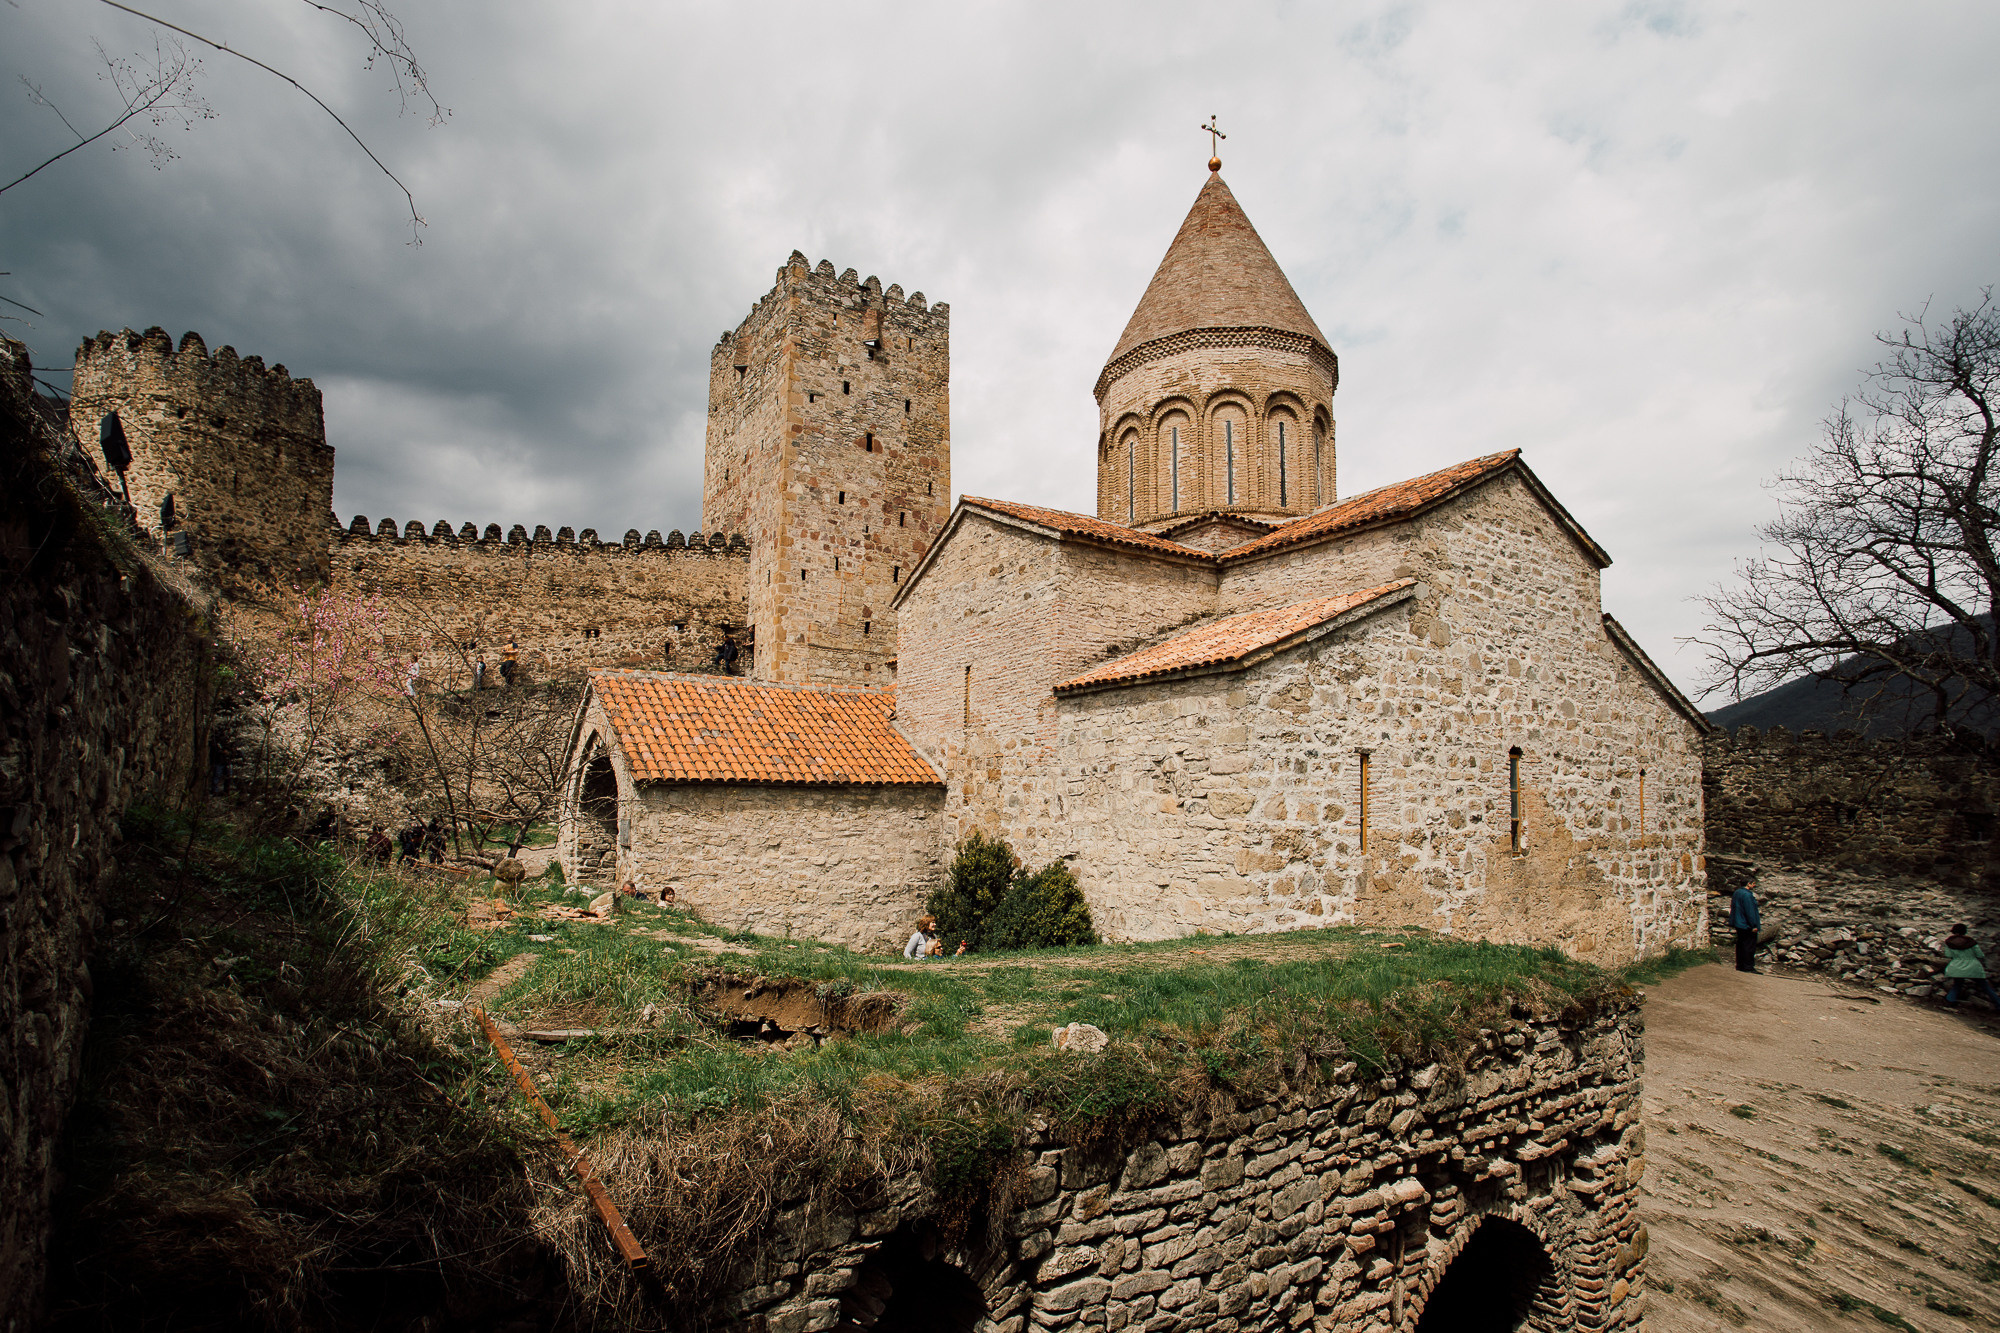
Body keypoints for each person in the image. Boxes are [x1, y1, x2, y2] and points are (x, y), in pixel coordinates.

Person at [1941, 924, 2000, 1010]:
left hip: (1956, 966)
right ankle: (1998, 1003)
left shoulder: (1949, 942)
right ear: (1965, 931)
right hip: (1973, 966)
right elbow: (1980, 955)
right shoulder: (1971, 941)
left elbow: (1948, 955)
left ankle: (1950, 1000)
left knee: (1957, 985)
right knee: (1985, 986)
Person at [1730, 874, 1762, 973]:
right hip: (1746, 924)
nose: (1754, 886)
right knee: (1749, 946)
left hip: (1739, 923)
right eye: (1753, 884)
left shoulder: (1737, 892)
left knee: (1741, 944)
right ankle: (1748, 966)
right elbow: (1750, 911)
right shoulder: (1747, 895)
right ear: (1749, 884)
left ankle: (1740, 964)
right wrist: (1754, 925)